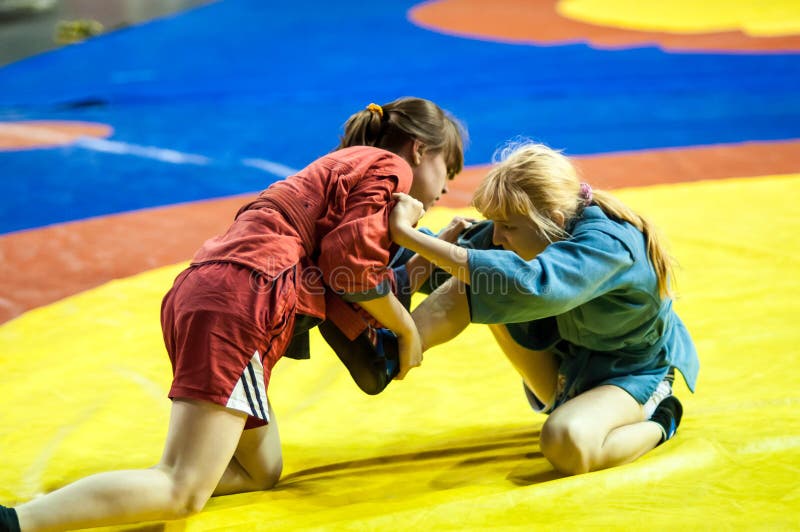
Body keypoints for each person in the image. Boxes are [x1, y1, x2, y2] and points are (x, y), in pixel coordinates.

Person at [0, 97, 465, 532]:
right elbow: (350, 271)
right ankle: (19, 521)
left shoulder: (346, 169)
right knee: (181, 490)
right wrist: (408, 330)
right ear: (419, 149)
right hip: (241, 304)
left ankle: (115, 493)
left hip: (213, 291)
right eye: (449, 168)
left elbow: (349, 287)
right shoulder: (391, 167)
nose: (447, 187)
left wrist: (428, 257)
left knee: (260, 470)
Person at [388, 141, 699, 475]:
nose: (496, 237)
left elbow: (534, 284)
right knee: (472, 277)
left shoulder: (608, 245)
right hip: (567, 367)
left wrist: (406, 234)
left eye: (506, 227)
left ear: (553, 219)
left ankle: (661, 419)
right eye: (493, 224)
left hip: (631, 374)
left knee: (565, 443)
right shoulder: (533, 226)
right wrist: (366, 249)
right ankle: (388, 354)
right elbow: (440, 265)